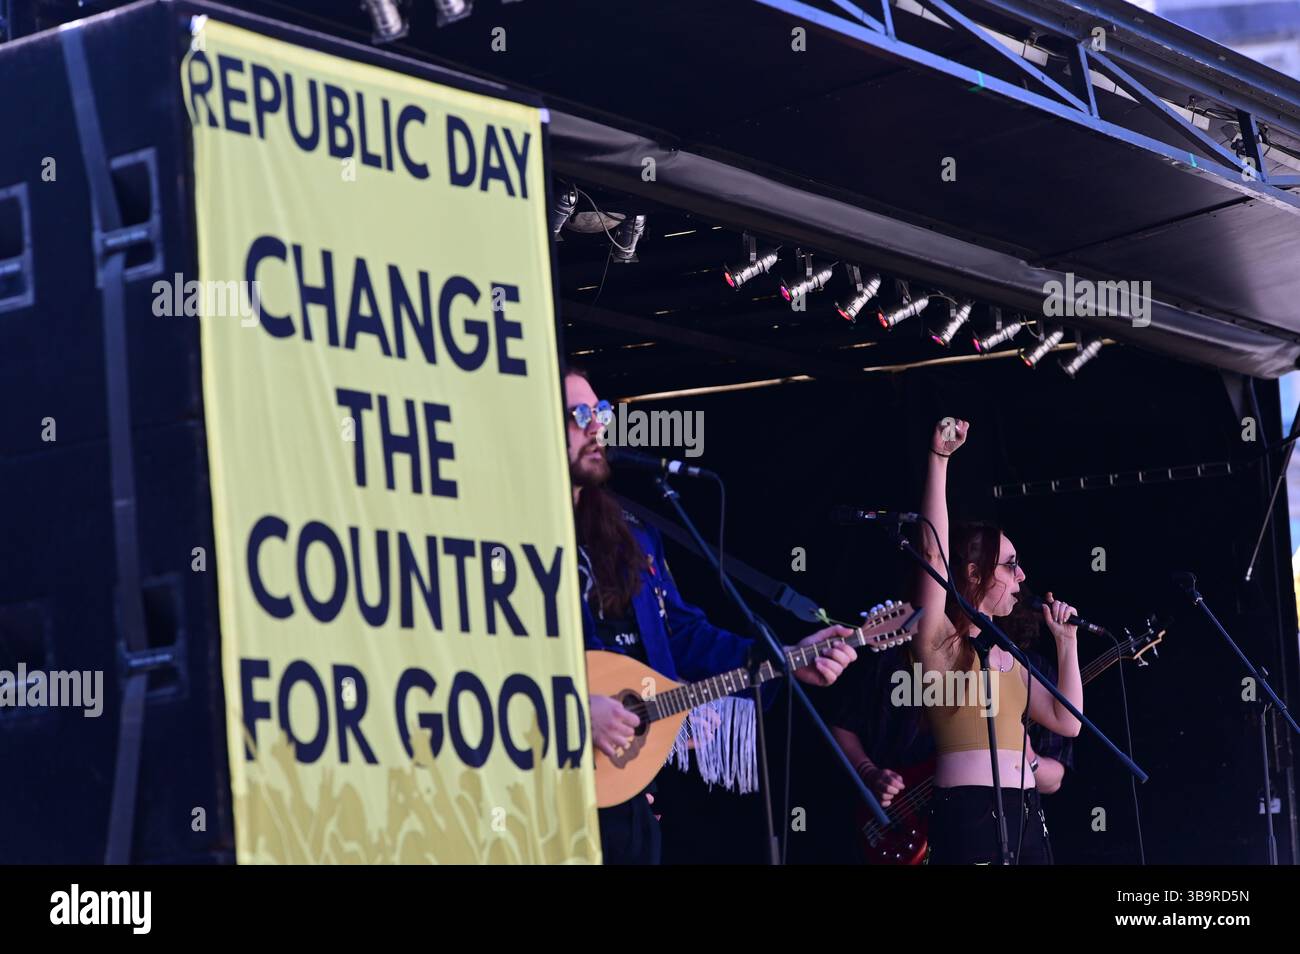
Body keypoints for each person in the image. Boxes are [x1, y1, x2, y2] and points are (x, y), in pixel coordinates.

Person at [565, 366, 857, 864]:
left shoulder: (631, 533)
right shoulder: (503, 535)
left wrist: (784, 657)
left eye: (603, 411)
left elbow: (682, 634)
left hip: (621, 787)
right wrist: (569, 707)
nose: (598, 426)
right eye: (581, 413)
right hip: (537, 787)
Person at [910, 417, 1082, 864]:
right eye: (1010, 564)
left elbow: (1068, 722)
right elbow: (933, 553)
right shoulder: (940, 642)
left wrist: (1067, 644)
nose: (1021, 576)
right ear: (973, 573)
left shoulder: (1011, 657)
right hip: (969, 816)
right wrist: (939, 460)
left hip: (1026, 815)